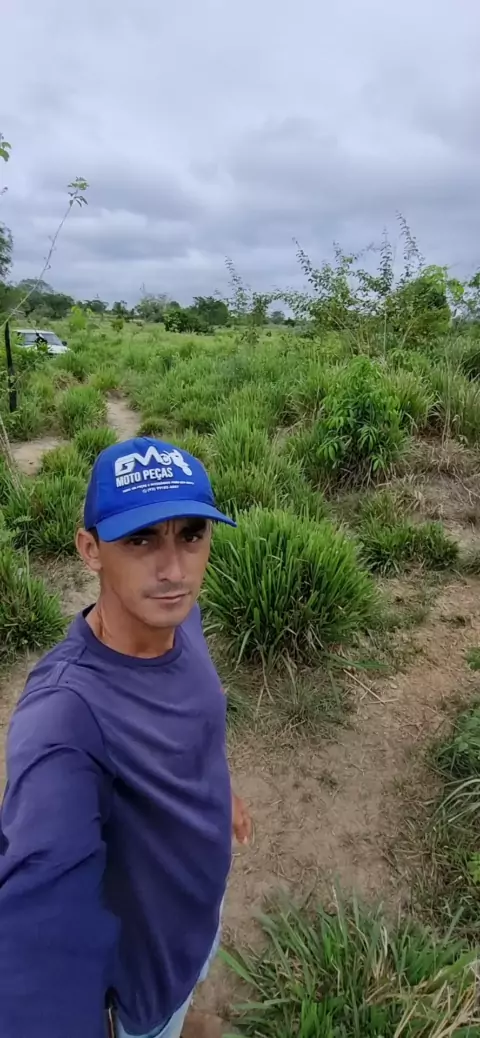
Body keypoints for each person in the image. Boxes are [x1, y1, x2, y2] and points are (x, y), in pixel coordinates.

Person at [0, 436, 252, 1038]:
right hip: (143, 983)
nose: (174, 569)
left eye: (191, 534)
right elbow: (36, 930)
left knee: (191, 989)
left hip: (196, 915)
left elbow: (192, 719)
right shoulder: (64, 716)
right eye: (140, 539)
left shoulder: (179, 616)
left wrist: (219, 791)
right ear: (90, 549)